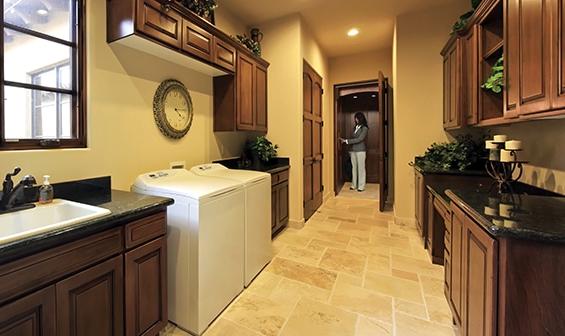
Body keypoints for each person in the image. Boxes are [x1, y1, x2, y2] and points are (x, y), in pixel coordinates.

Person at [340, 112, 369, 192]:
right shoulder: (355, 127)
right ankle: (354, 184)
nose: (355, 120)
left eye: (356, 118)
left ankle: (361, 186)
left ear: (360, 118)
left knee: (361, 168)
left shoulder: (365, 128)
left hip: (361, 151)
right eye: (355, 118)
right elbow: (355, 139)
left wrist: (346, 141)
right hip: (353, 151)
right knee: (354, 168)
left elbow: (360, 139)